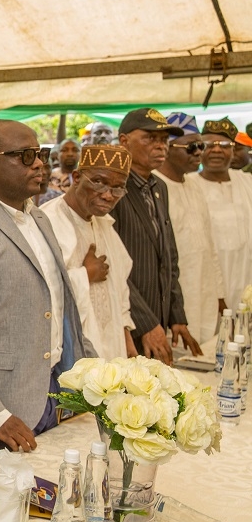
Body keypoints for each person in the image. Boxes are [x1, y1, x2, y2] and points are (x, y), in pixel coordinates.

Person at [0, 120, 92, 473]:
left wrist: (88, 373)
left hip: (54, 390)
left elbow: (61, 307)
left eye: (41, 154)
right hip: (5, 407)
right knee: (3, 513)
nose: (39, 164)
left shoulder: (39, 217)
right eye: (26, 156)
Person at [109, 108, 198, 364]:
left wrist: (176, 315)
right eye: (150, 138)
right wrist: (145, 323)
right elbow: (114, 266)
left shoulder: (159, 187)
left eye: (163, 140)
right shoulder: (111, 188)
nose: (160, 146)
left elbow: (168, 257)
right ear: (124, 141)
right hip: (128, 324)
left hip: (158, 320)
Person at [41, 145, 138, 360]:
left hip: (111, 346)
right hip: (69, 353)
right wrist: (86, 275)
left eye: (118, 188)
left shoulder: (104, 225)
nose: (108, 195)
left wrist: (126, 335)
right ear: (76, 177)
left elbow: (120, 288)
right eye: (99, 182)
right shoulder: (48, 221)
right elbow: (39, 293)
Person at [153, 113, 226, 344]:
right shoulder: (153, 188)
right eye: (191, 146)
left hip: (205, 295)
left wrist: (220, 295)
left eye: (200, 146)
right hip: (174, 305)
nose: (199, 153)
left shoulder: (195, 185)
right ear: (167, 147)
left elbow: (209, 245)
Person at [195, 117, 252, 311]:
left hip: (246, 280)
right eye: (209, 145)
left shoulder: (247, 182)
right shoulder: (188, 185)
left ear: (233, 150)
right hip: (205, 287)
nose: (217, 150)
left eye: (224, 145)